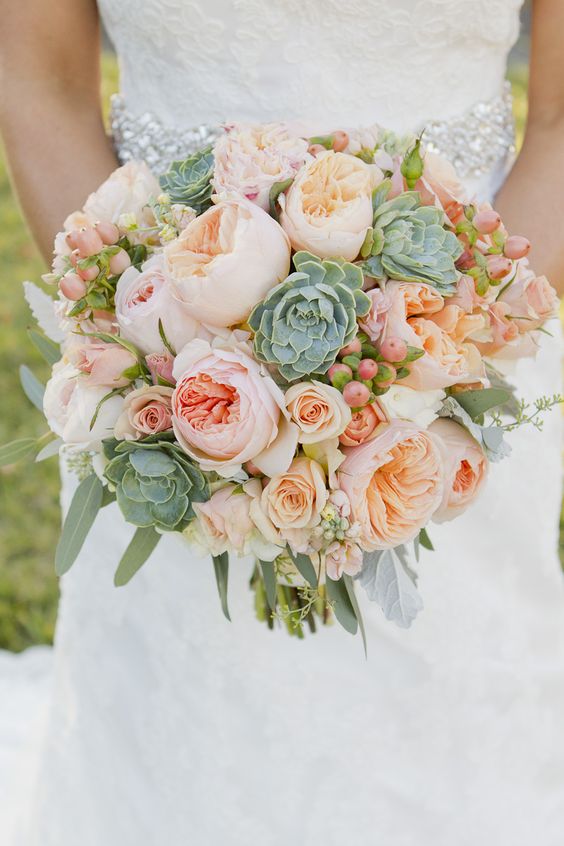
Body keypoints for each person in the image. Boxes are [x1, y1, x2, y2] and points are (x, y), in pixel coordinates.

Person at [1, 1, 564, 843]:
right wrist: (152, 347)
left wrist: (433, 358)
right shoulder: (160, 381)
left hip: (462, 359)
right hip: (169, 387)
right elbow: (39, 85)